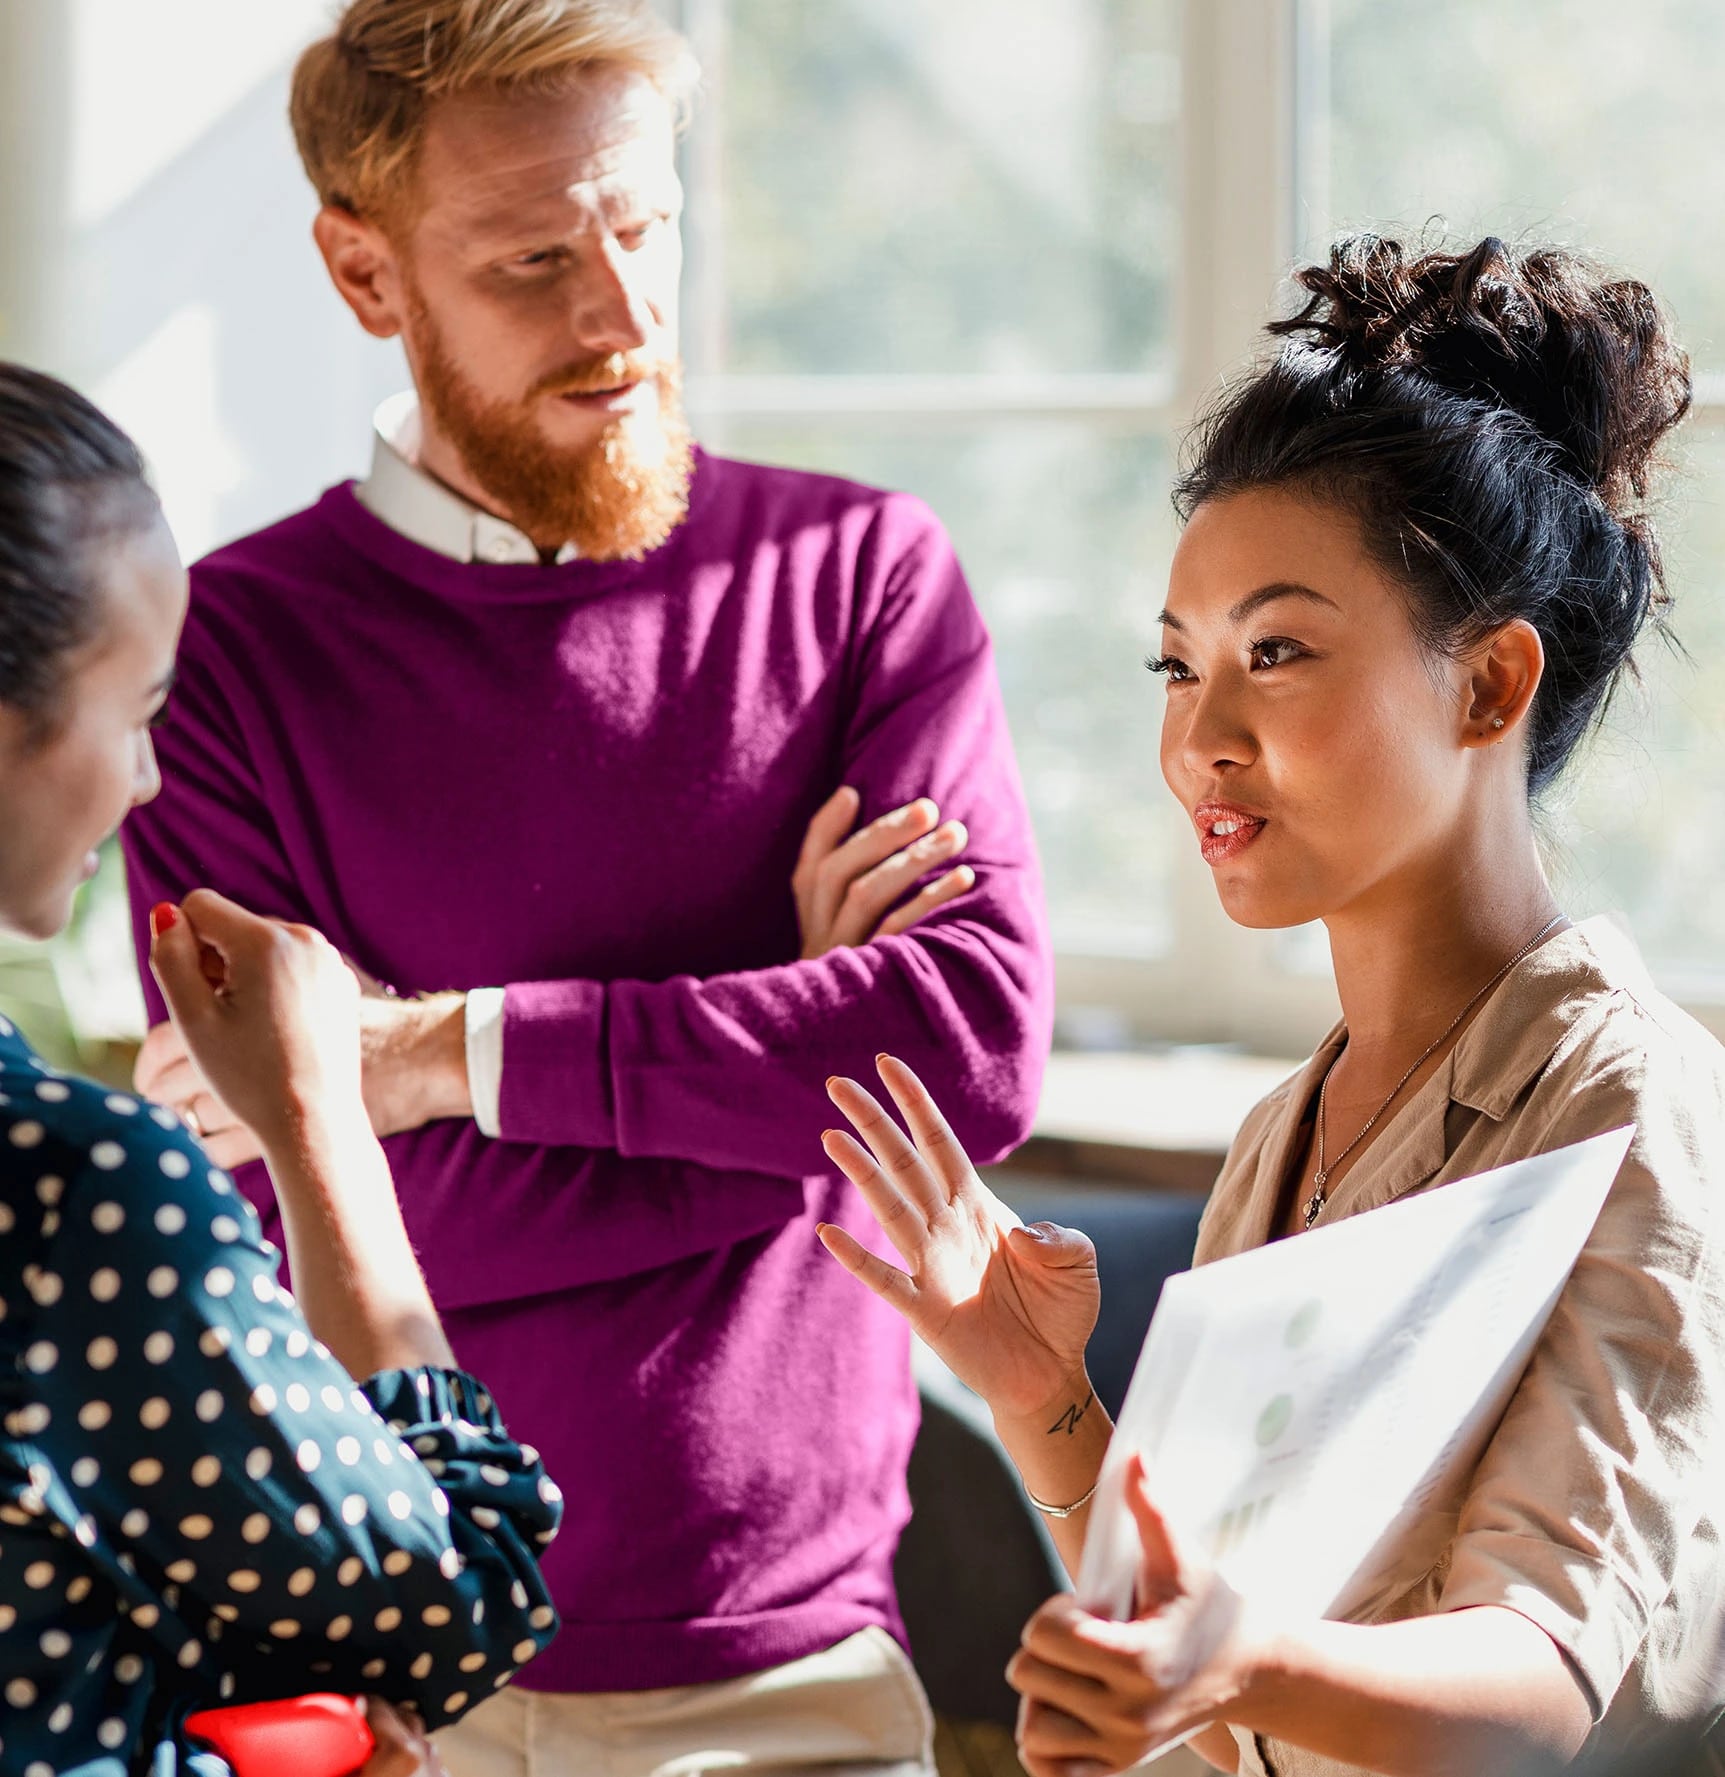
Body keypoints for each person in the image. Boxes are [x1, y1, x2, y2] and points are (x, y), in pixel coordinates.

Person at [120, 2, 1052, 1772]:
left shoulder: (853, 577)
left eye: (642, 227)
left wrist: (429, 1054)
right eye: (537, 258)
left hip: (804, 1667)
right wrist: (778, 1085)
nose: (619, 315)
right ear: (365, 275)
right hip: (390, 1679)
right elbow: (287, 1210)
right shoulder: (224, 653)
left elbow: (971, 1059)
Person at [819, 236, 1725, 1776]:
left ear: (1489, 686)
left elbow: (1534, 1676)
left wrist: (1230, 1655)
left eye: (1277, 652)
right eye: (1177, 668)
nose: (1200, 740)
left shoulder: (1624, 1103)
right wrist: (1043, 1402)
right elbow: (1200, 1658)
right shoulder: (1283, 1132)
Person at [0, 362, 562, 1774]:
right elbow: (461, 1593)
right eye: (135, 713)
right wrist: (319, 1119)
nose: (143, 784)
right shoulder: (78, 1187)